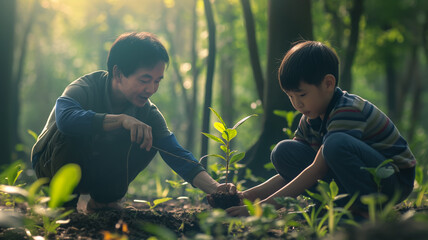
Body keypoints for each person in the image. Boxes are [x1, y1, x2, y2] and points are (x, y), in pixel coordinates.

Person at [31, 32, 231, 212]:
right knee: (74, 128)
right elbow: (65, 120)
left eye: (157, 81)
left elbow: (176, 153)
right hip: (50, 166)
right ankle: (63, 205)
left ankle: (104, 200)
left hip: (94, 170)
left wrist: (215, 188)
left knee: (149, 134)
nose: (151, 88)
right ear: (118, 73)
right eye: (144, 80)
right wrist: (121, 120)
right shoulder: (85, 87)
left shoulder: (148, 113)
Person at [225, 41, 416, 217]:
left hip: (393, 181)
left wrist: (262, 209)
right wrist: (247, 197)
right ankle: (335, 205)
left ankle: (363, 210)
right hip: (356, 175)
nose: (297, 104)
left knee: (334, 143)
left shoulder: (347, 109)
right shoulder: (310, 118)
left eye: (302, 94)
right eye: (291, 96)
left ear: (328, 84)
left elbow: (316, 170)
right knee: (283, 152)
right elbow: (295, 173)